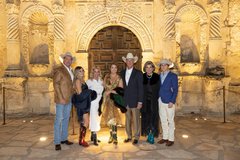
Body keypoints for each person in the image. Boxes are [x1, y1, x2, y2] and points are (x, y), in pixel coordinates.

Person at [53, 52, 75, 151]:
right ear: (63, 60)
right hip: (61, 99)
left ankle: (64, 138)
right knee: (58, 120)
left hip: (69, 99)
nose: (68, 61)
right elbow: (56, 84)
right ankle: (57, 142)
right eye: (66, 59)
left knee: (66, 119)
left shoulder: (71, 70)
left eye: (70, 59)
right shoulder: (59, 70)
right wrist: (61, 97)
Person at [120, 53, 143, 145]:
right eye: (128, 60)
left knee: (136, 119)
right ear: (125, 62)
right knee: (127, 119)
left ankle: (136, 137)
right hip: (125, 101)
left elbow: (141, 88)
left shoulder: (138, 73)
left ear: (134, 62)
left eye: (131, 60)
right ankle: (129, 136)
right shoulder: (122, 73)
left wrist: (140, 101)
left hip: (135, 101)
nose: (129, 62)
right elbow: (121, 88)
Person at [101, 64, 124, 145]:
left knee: (114, 118)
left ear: (117, 69)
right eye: (112, 67)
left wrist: (110, 91)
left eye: (115, 67)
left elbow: (120, 90)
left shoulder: (119, 78)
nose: (113, 69)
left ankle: (115, 137)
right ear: (110, 68)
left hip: (115, 100)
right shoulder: (106, 77)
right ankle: (111, 136)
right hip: (107, 100)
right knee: (109, 118)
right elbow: (103, 87)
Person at [157, 59, 178, 147]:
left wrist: (172, 101)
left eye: (165, 65)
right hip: (160, 100)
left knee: (170, 120)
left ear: (168, 66)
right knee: (163, 120)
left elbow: (175, 89)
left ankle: (171, 139)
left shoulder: (173, 76)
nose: (163, 67)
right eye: (161, 65)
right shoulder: (159, 76)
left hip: (169, 101)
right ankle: (165, 137)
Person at [72, 66, 93, 147]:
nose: (82, 72)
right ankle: (81, 140)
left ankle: (81, 140)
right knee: (86, 122)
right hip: (82, 104)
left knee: (84, 122)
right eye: (80, 71)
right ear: (76, 73)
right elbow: (80, 94)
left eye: (83, 71)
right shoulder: (77, 81)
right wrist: (89, 91)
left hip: (85, 103)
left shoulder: (82, 80)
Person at [141, 61, 160, 141]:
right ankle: (147, 132)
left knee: (153, 117)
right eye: (147, 67)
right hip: (145, 102)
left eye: (150, 67)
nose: (148, 69)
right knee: (146, 118)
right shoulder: (142, 76)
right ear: (145, 68)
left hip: (153, 101)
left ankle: (152, 134)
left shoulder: (157, 76)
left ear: (153, 68)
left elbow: (159, 89)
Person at [86, 66, 104, 146]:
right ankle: (95, 137)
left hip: (100, 101)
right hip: (93, 102)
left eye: (98, 71)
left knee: (98, 118)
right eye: (95, 72)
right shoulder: (89, 81)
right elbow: (85, 92)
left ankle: (93, 135)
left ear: (99, 72)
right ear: (92, 73)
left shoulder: (101, 81)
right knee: (94, 118)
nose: (96, 73)